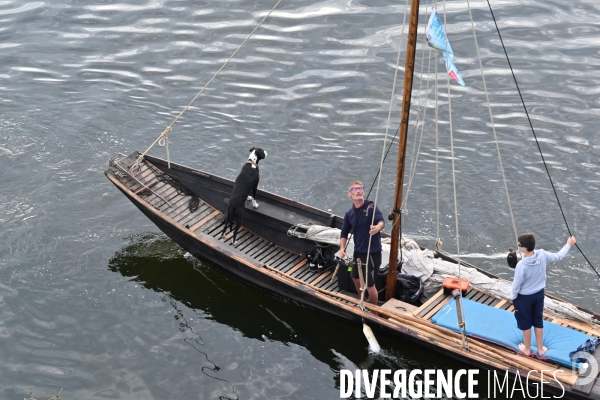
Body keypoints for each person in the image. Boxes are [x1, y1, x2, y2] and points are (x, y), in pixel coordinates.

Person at [511, 233, 576, 356]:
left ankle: (527, 349)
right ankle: (541, 349)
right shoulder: (542, 254)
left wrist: (513, 299)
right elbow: (558, 256)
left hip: (524, 298)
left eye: (518, 244)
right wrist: (569, 244)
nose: (517, 245)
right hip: (539, 295)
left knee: (525, 323)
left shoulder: (521, 265)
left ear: (524, 248)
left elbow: (516, 286)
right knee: (538, 321)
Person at [339, 181, 385, 305]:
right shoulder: (349, 214)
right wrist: (342, 248)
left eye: (360, 188)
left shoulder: (371, 207)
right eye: (354, 189)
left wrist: (377, 228)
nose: (358, 191)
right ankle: (362, 300)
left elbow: (381, 221)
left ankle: (373, 310)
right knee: (355, 277)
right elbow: (344, 233)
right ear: (350, 194)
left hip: (372, 252)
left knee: (370, 284)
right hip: (358, 251)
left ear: (363, 192)